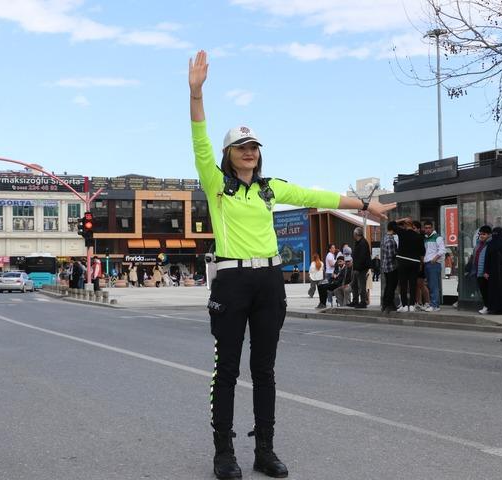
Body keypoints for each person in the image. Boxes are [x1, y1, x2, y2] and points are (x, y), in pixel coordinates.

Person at [189, 49, 395, 480]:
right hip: (230, 280)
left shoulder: (268, 189)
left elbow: (314, 196)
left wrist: (365, 205)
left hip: (268, 282)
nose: (249, 152)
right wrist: (196, 93)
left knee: (264, 369)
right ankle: (223, 453)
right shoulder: (216, 186)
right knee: (226, 368)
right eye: (241, 147)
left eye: (254, 147)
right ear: (228, 154)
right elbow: (199, 139)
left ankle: (264, 449)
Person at [395, 218, 425, 312]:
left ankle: (404, 305)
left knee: (403, 284)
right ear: (412, 226)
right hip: (414, 262)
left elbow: (391, 224)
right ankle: (412, 305)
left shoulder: (401, 232)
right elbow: (422, 252)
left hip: (403, 261)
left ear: (404, 225)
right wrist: (421, 264)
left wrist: (402, 219)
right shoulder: (419, 236)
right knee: (413, 284)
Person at [422, 218, 446, 312]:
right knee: (430, 285)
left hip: (433, 264)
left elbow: (442, 250)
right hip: (427, 263)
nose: (427, 229)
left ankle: (435, 305)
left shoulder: (437, 237)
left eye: (429, 228)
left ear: (432, 228)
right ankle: (433, 303)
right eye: (426, 228)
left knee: (433, 285)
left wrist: (434, 259)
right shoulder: (425, 238)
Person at [466, 226, 492, 314]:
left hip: (485, 272)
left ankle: (488, 306)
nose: (481, 236)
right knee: (481, 289)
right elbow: (474, 256)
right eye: (480, 234)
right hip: (477, 270)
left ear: (489, 235)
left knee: (486, 290)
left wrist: (487, 271)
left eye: (484, 234)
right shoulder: (479, 244)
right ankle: (486, 306)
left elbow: (490, 259)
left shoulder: (490, 244)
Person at [380, 221, 400, 313]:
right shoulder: (391, 241)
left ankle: (386, 304)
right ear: (393, 228)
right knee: (391, 287)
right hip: (391, 266)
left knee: (388, 286)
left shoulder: (385, 238)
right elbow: (392, 255)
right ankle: (388, 305)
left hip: (385, 266)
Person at [350, 227, 370, 308]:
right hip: (356, 267)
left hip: (361, 268)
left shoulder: (363, 243)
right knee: (354, 284)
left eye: (354, 233)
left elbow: (362, 257)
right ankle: (355, 301)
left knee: (361, 285)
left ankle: (363, 302)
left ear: (357, 234)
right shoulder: (358, 242)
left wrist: (358, 268)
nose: (353, 235)